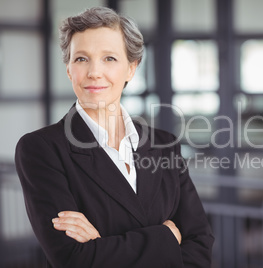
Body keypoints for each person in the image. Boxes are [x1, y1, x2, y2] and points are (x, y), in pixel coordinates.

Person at [15, 7, 214, 268]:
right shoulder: (41, 149)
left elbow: (200, 246)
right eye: (81, 59)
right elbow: (73, 259)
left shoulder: (164, 145)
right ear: (68, 69)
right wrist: (166, 238)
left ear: (131, 68)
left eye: (109, 58)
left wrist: (103, 245)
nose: (94, 72)